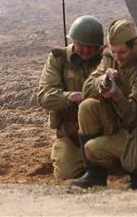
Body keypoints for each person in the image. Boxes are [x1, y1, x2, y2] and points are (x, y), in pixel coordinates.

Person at [71, 19, 137, 190]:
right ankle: (94, 176)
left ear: (135, 45)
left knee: (92, 149)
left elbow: (134, 117)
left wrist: (117, 95)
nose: (117, 57)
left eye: (122, 52)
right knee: (87, 106)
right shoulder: (110, 58)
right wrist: (102, 81)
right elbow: (87, 88)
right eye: (114, 51)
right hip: (116, 121)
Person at [36, 15, 104, 180]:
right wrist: (69, 97)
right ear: (73, 41)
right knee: (66, 175)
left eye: (91, 47)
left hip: (104, 130)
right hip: (71, 133)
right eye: (81, 45)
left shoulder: (106, 58)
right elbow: (44, 96)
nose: (86, 50)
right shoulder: (59, 60)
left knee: (132, 164)